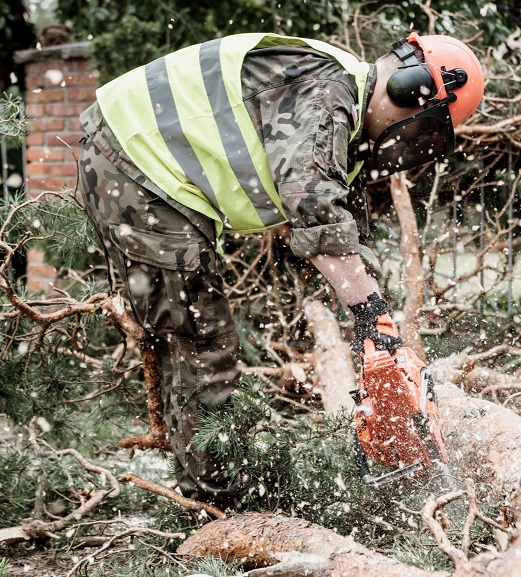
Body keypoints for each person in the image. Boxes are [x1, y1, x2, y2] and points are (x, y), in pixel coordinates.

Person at [76, 32, 484, 507]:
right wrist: (370, 314)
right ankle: (217, 506)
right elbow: (310, 205)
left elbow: (346, 235)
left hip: (137, 161)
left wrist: (383, 336)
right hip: (131, 159)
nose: (412, 142)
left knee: (194, 335)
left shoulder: (341, 119)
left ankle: (202, 481)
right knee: (200, 337)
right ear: (407, 87)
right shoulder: (327, 94)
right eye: (422, 128)